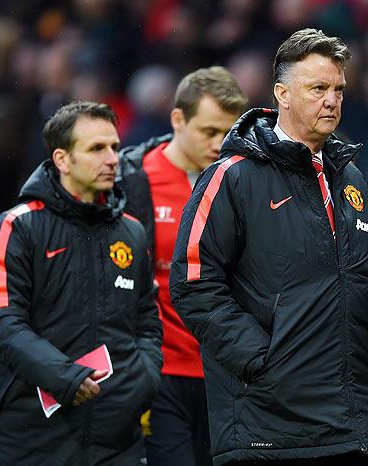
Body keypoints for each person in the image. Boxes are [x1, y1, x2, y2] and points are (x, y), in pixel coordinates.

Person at [169, 28, 368, 466]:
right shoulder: (231, 176)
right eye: (318, 88)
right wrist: (263, 361)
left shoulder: (350, 179)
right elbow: (193, 283)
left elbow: (353, 282)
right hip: (269, 424)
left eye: (339, 89)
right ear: (282, 94)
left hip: (353, 421)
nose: (332, 100)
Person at [0, 101, 162, 465]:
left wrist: (143, 377)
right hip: (32, 435)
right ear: (62, 159)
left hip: (117, 435)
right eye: (96, 148)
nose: (112, 158)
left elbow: (147, 320)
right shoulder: (18, 227)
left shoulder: (132, 232)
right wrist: (65, 378)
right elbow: (0, 322)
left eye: (114, 146)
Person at [118, 66, 248, 466]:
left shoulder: (240, 181)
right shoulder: (131, 181)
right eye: (208, 131)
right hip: (160, 373)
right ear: (178, 119)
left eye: (227, 133)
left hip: (226, 375)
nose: (218, 143)